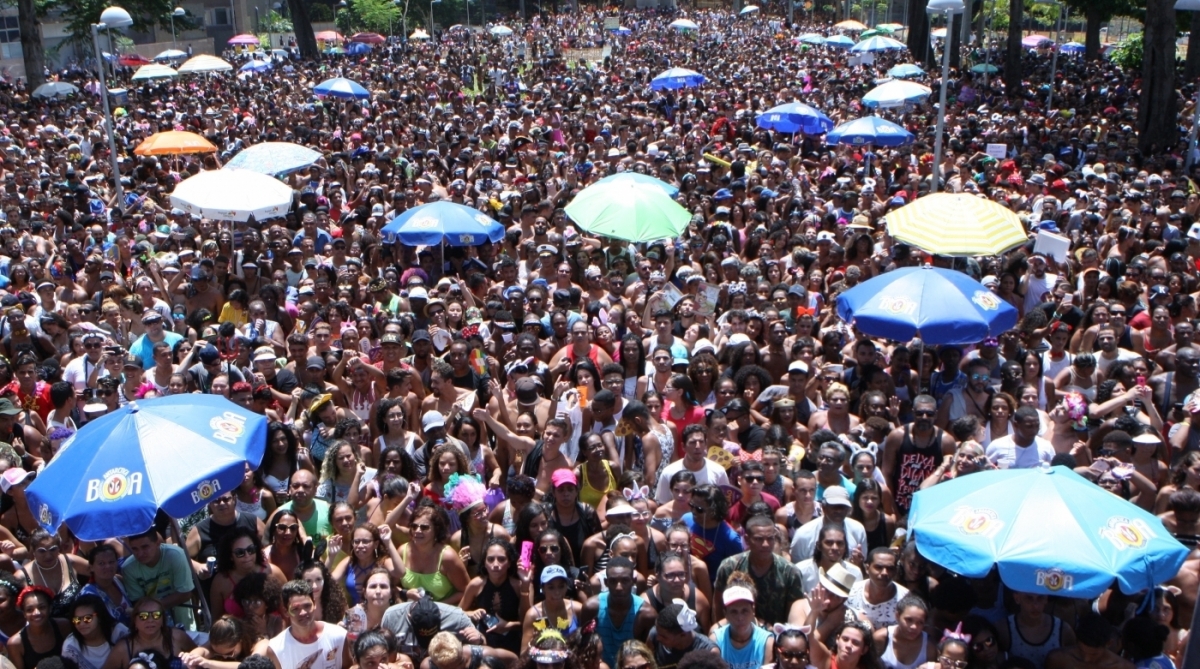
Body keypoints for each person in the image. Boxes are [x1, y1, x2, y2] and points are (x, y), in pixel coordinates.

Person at [712, 514, 804, 626]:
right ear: (747, 539)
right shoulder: (729, 566)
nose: (765, 544)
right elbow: (718, 606)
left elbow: (794, 613)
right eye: (759, 539)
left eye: (770, 538)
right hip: (735, 634)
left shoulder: (790, 572)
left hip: (775, 636)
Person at [581, 557, 656, 668]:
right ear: (606, 582)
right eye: (613, 581)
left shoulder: (646, 615)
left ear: (633, 582)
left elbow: (649, 655)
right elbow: (584, 649)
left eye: (625, 581)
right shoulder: (591, 608)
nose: (619, 587)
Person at [121, 528, 196, 631]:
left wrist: (153, 606)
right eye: (135, 549)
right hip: (152, 618)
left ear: (157, 543)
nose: (140, 553)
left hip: (179, 609)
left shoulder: (176, 555)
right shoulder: (128, 568)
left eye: (145, 547)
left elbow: (185, 593)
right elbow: (138, 601)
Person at [263, 580, 349, 669]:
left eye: (307, 606)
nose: (303, 613)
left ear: (314, 604)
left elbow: (350, 666)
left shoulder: (339, 636)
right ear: (285, 612)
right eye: (295, 609)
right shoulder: (276, 649)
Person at [99, 597, 196, 669]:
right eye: (143, 616)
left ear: (163, 619)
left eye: (156, 615)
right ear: (135, 621)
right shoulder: (123, 648)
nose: (150, 620)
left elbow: (200, 660)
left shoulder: (177, 637)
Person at [712, 578, 772, 669]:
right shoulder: (716, 640)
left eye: (745, 611)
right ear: (725, 613)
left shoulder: (767, 642)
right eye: (734, 612)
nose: (740, 618)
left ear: (753, 610)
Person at [7, 586, 70, 669]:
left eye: (42, 607)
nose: (36, 613)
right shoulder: (15, 643)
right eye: (29, 610)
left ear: (50, 608)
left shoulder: (63, 626)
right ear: (24, 613)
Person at [644, 600, 718, 669]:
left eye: (664, 637)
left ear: (683, 635)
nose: (658, 638)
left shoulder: (708, 651)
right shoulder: (653, 635)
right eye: (657, 632)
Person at [847, 549, 909, 630]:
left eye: (890, 568)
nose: (884, 573)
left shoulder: (906, 598)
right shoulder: (851, 592)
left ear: (895, 571)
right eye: (878, 567)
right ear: (867, 568)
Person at [984, 407, 1056, 469]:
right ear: (1016, 425)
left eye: (1037, 426)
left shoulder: (1046, 447)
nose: (1034, 430)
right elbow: (985, 470)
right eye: (1029, 426)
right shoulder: (997, 446)